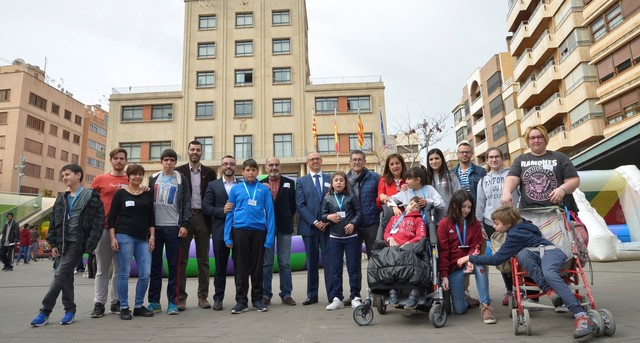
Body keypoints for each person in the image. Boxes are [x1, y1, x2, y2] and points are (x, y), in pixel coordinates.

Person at [457, 206, 595, 339]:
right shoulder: (527, 227)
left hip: (551, 252)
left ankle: (581, 315)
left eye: (497, 223)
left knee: (549, 274)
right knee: (522, 254)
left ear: (508, 224)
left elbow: (496, 259)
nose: (494, 226)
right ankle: (550, 292)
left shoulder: (514, 235)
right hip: (537, 254)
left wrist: (469, 258)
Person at [30, 164, 104, 327]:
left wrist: (91, 243)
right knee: (66, 277)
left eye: (68, 174)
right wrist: (53, 242)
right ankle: (70, 310)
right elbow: (55, 220)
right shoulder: (62, 198)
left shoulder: (91, 196)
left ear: (78, 175)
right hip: (62, 242)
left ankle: (45, 311)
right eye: (63, 175)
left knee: (59, 274)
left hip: (77, 242)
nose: (64, 177)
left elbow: (99, 221)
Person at [224, 158, 275, 314]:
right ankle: (241, 301)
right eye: (248, 170)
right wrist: (228, 236)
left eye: (253, 170)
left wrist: (270, 238)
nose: (251, 172)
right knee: (241, 268)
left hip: (259, 232)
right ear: (243, 172)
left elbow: (270, 214)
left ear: (257, 172)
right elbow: (229, 213)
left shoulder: (264, 190)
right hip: (239, 231)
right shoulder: (236, 189)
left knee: (258, 267)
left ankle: (258, 300)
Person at [437, 190, 495, 324]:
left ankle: (485, 306)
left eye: (469, 207)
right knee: (459, 310)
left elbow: (476, 246)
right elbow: (443, 252)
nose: (467, 210)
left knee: (481, 266)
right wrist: (444, 275)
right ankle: (466, 300)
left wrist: (470, 259)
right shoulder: (444, 224)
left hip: (470, 262)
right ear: (455, 205)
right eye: (464, 207)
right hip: (455, 268)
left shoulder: (474, 224)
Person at [147, 149, 191, 315]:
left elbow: (186, 202)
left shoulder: (181, 179)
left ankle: (173, 302)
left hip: (174, 227)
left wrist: (185, 224)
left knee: (174, 266)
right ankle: (154, 301)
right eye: (166, 160)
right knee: (155, 266)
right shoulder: (153, 178)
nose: (169, 163)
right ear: (161, 161)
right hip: (155, 228)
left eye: (172, 160)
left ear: (175, 162)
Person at [109, 164, 155, 320]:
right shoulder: (120, 194)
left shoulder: (147, 194)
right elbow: (112, 218)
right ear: (128, 176)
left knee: (145, 273)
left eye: (140, 174)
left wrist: (152, 237)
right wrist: (113, 237)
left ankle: (138, 306)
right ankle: (123, 307)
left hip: (143, 238)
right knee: (124, 273)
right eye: (134, 174)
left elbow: (151, 218)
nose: (137, 177)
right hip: (124, 236)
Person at [176, 140, 217, 311]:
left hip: (202, 218)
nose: (195, 152)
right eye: (192, 149)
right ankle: (180, 298)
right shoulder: (179, 172)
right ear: (187, 151)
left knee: (203, 260)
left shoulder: (210, 172)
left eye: (198, 150)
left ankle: (203, 296)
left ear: (202, 152)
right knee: (182, 260)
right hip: (184, 219)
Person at [501, 125, 580, 212]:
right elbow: (512, 179)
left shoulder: (560, 157)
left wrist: (563, 189)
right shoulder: (520, 160)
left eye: (539, 137)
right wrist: (506, 192)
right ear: (528, 141)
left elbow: (574, 180)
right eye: (532, 138)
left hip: (560, 212)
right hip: (529, 213)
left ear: (545, 139)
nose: (536, 140)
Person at [476, 147, 519, 306]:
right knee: (502, 259)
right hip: (491, 224)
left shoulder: (512, 175)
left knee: (517, 258)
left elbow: (519, 197)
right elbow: (480, 203)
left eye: (497, 157)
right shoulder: (483, 180)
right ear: (487, 160)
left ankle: (519, 290)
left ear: (502, 158)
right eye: (490, 157)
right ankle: (509, 290)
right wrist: (479, 224)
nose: (494, 160)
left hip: (512, 222)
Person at [90, 148, 129, 318]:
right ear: (111, 160)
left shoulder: (131, 179)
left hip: (124, 230)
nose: (119, 161)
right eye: (116, 158)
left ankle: (117, 302)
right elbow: (90, 204)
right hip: (103, 229)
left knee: (120, 270)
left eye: (122, 158)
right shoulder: (100, 180)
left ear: (126, 161)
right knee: (102, 269)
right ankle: (99, 303)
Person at [295, 152, 332, 306]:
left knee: (330, 261)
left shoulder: (331, 179)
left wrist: (326, 221)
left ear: (321, 161)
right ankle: (312, 295)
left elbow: (335, 202)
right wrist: (315, 221)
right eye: (312, 159)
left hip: (328, 227)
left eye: (317, 159)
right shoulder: (301, 181)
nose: (315, 161)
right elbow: (300, 205)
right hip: (309, 228)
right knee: (312, 262)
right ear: (307, 162)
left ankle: (333, 294)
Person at [322, 171, 362, 311]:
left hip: (351, 238)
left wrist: (353, 224)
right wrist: (328, 217)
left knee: (353, 268)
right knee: (335, 269)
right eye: (336, 180)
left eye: (341, 180)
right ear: (332, 183)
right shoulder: (327, 198)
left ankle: (355, 296)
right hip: (335, 238)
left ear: (345, 183)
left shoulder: (351, 196)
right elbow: (322, 215)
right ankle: (337, 298)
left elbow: (359, 213)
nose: (338, 182)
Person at [261, 156, 297, 306]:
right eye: (271, 165)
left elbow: (293, 205)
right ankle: (265, 294)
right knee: (266, 262)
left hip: (284, 226)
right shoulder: (259, 184)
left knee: (285, 263)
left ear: (280, 167)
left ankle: (286, 294)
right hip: (265, 227)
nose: (274, 167)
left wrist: (287, 216)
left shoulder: (290, 183)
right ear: (266, 167)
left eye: (276, 165)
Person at [203, 155, 238, 311]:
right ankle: (218, 299)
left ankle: (241, 299)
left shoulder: (243, 185)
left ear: (235, 167)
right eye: (225, 164)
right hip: (220, 231)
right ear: (221, 167)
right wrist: (222, 211)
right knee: (220, 267)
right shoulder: (213, 185)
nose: (228, 166)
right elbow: (206, 208)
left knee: (241, 267)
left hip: (239, 231)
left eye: (231, 164)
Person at [382, 196, 427, 309]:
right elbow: (387, 232)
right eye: (411, 203)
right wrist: (390, 239)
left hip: (409, 248)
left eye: (416, 206)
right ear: (407, 205)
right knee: (388, 260)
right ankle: (393, 292)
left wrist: (408, 244)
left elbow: (421, 236)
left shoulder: (418, 219)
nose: (412, 206)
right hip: (393, 247)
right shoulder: (394, 218)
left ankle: (414, 295)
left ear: (419, 210)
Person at [346, 150, 380, 260]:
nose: (357, 162)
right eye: (354, 160)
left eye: (360, 159)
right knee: (354, 261)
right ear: (350, 162)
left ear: (364, 161)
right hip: (353, 225)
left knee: (375, 258)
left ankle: (374, 278)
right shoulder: (344, 180)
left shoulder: (375, 177)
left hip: (372, 224)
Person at [426, 148, 461, 219]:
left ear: (442, 159)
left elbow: (459, 197)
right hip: (432, 221)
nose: (434, 161)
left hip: (450, 218)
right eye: (431, 159)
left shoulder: (451, 177)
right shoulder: (426, 179)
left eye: (437, 158)